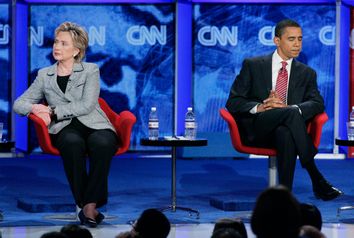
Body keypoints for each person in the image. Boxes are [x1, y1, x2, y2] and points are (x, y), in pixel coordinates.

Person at [13, 22, 119, 227]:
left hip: (94, 123)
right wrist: (35, 108)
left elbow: (88, 105)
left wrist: (53, 111)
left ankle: (88, 204)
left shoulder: (90, 70)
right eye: (56, 42)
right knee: (72, 143)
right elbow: (19, 104)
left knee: (103, 143)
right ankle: (89, 206)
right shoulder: (45, 75)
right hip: (64, 128)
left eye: (64, 43)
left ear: (77, 50)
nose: (57, 47)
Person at [226, 19, 342, 200]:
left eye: (300, 39)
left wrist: (290, 108)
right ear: (277, 41)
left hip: (289, 130)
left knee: (285, 131)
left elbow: (317, 103)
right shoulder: (253, 65)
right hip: (258, 128)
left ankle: (283, 197)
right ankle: (315, 176)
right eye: (291, 39)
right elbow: (233, 102)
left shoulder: (307, 73)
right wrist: (260, 107)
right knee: (291, 116)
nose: (297, 44)